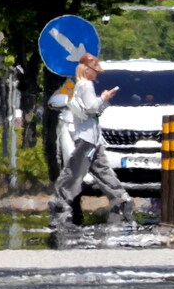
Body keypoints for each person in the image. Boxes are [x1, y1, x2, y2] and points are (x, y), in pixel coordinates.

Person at [49, 52, 133, 228]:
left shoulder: (82, 85)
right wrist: (103, 98)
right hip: (87, 138)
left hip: (92, 138)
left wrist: (103, 101)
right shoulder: (85, 85)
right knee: (74, 170)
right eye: (95, 70)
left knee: (101, 169)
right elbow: (92, 108)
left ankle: (121, 199)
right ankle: (60, 203)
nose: (97, 74)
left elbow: (93, 111)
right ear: (86, 69)